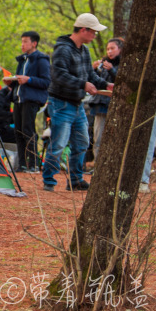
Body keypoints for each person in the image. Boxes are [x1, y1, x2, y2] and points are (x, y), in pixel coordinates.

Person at [41, 13, 112, 192]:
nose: (95, 35)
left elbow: (90, 74)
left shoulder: (84, 50)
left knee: (81, 143)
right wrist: (83, 84)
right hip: (61, 103)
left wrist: (106, 85)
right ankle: (49, 180)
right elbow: (59, 75)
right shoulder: (62, 50)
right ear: (83, 30)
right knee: (58, 143)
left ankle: (76, 179)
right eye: (94, 32)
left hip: (77, 103)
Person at [5, 31, 50, 173]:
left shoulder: (41, 60)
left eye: (25, 41)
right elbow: (19, 81)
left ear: (34, 43)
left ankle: (34, 164)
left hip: (31, 99)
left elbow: (46, 82)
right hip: (18, 98)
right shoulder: (22, 60)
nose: (22, 45)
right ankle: (22, 164)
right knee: (18, 131)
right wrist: (10, 83)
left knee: (28, 131)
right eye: (22, 41)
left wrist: (28, 79)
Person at [86, 37, 123, 163]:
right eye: (108, 49)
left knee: (115, 138)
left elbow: (122, 82)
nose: (110, 52)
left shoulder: (123, 65)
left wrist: (112, 70)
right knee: (99, 137)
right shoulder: (103, 64)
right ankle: (98, 164)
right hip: (100, 104)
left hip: (116, 106)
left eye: (112, 48)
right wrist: (94, 69)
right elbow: (93, 81)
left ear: (120, 49)